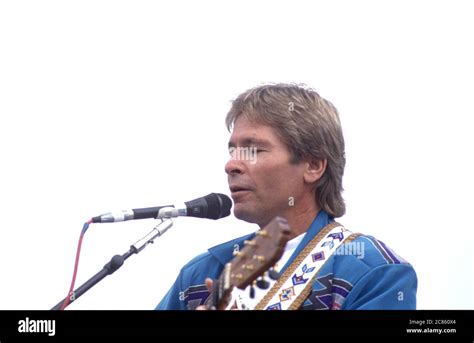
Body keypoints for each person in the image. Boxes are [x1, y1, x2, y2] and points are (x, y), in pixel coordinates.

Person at [156, 83, 417, 310]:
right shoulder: (200, 275)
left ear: (313, 165)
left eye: (254, 150)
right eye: (233, 151)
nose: (231, 165)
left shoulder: (374, 272)